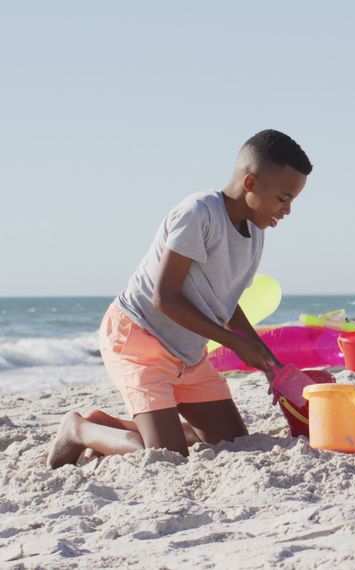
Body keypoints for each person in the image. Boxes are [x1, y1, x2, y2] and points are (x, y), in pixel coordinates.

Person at [47, 130, 312, 469]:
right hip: (139, 339)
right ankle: (80, 428)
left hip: (187, 354)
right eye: (283, 198)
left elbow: (226, 304)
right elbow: (165, 298)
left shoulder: (256, 232)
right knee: (167, 457)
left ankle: (119, 427)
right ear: (250, 183)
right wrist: (234, 344)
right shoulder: (198, 214)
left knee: (235, 443)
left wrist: (272, 366)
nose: (288, 209)